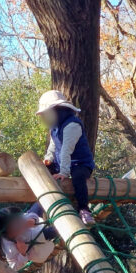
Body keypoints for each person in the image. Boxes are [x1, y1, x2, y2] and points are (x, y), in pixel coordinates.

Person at [37, 90, 96, 225]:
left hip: (80, 164)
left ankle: (84, 209)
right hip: (62, 163)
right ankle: (42, 210)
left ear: (56, 111)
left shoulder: (72, 125)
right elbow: (53, 146)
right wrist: (48, 160)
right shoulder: (55, 127)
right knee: (42, 170)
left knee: (78, 177)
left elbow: (66, 150)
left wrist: (63, 172)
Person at [0, 206, 59, 270]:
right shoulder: (9, 248)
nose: (21, 223)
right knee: (56, 229)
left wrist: (32, 220)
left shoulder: (16, 220)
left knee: (39, 204)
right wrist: (22, 253)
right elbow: (14, 267)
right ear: (9, 231)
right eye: (17, 224)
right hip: (37, 246)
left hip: (35, 229)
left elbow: (29, 216)